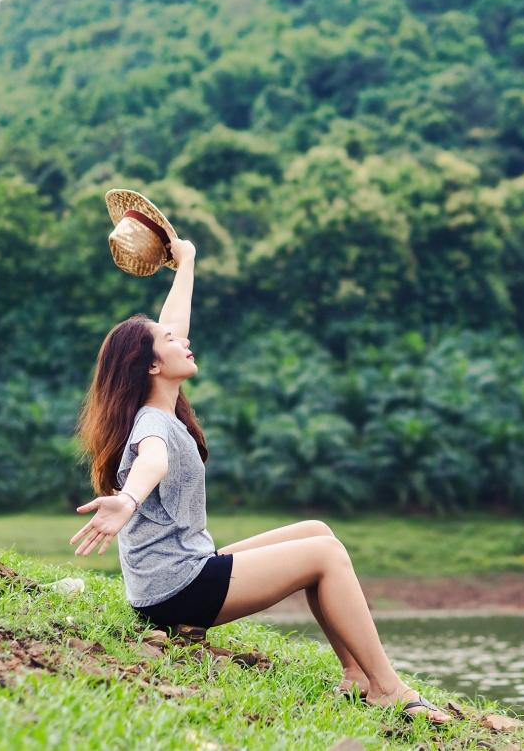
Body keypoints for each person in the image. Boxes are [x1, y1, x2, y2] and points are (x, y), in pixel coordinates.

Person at [70, 233, 449, 723]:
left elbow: (172, 324)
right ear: (151, 366)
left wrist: (185, 261)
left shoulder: (160, 401)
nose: (183, 340)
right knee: (325, 555)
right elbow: (153, 461)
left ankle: (356, 675)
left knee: (316, 532)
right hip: (175, 589)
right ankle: (387, 687)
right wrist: (128, 499)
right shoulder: (152, 424)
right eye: (170, 342)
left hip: (179, 574)